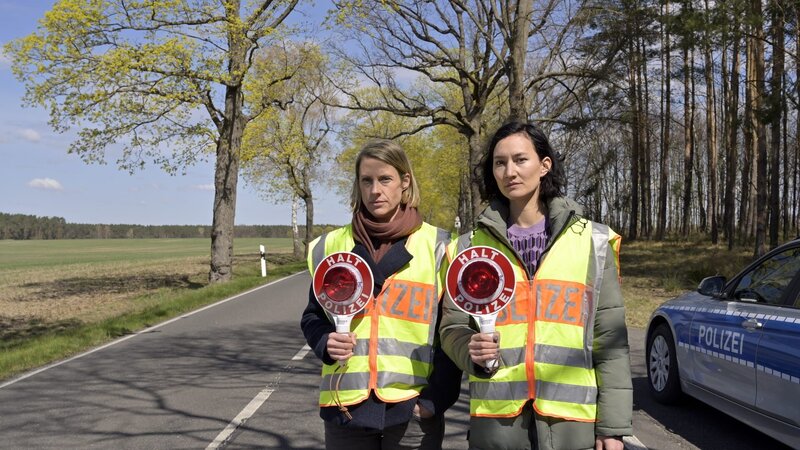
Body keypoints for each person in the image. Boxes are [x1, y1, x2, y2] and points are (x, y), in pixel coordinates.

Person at [439, 121, 633, 450]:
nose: (509, 171)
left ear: (545, 166)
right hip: (496, 423)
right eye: (499, 163)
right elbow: (452, 327)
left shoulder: (592, 241)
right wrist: (468, 348)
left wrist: (612, 427)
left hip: (571, 424)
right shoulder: (467, 248)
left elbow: (610, 344)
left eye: (520, 159)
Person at [301, 139, 462, 450]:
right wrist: (324, 341)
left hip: (412, 411)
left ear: (404, 182)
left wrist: (434, 399)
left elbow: (451, 330)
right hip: (345, 408)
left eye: (385, 179)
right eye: (367, 180)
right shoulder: (333, 246)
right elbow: (313, 316)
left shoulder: (440, 246)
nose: (375, 190)